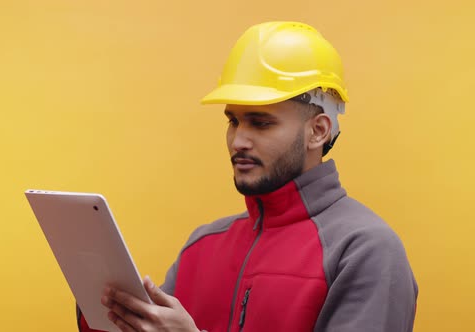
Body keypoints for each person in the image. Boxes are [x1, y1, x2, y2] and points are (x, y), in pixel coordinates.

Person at [77, 21, 418, 332]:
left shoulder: (365, 251)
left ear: (318, 131)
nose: (239, 140)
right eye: (233, 121)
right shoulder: (202, 246)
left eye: (261, 122)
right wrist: (100, 301)